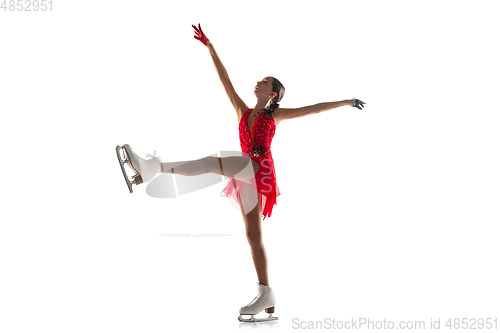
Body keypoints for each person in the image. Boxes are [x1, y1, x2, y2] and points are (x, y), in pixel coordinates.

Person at [115, 23, 365, 322]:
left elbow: (314, 108)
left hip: (260, 169)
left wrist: (347, 101)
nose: (258, 82)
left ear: (274, 93)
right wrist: (210, 47)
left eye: (265, 81)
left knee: (212, 161)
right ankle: (266, 293)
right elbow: (225, 79)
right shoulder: (243, 111)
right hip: (245, 170)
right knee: (253, 236)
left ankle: (153, 167)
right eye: (259, 79)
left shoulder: (277, 114)